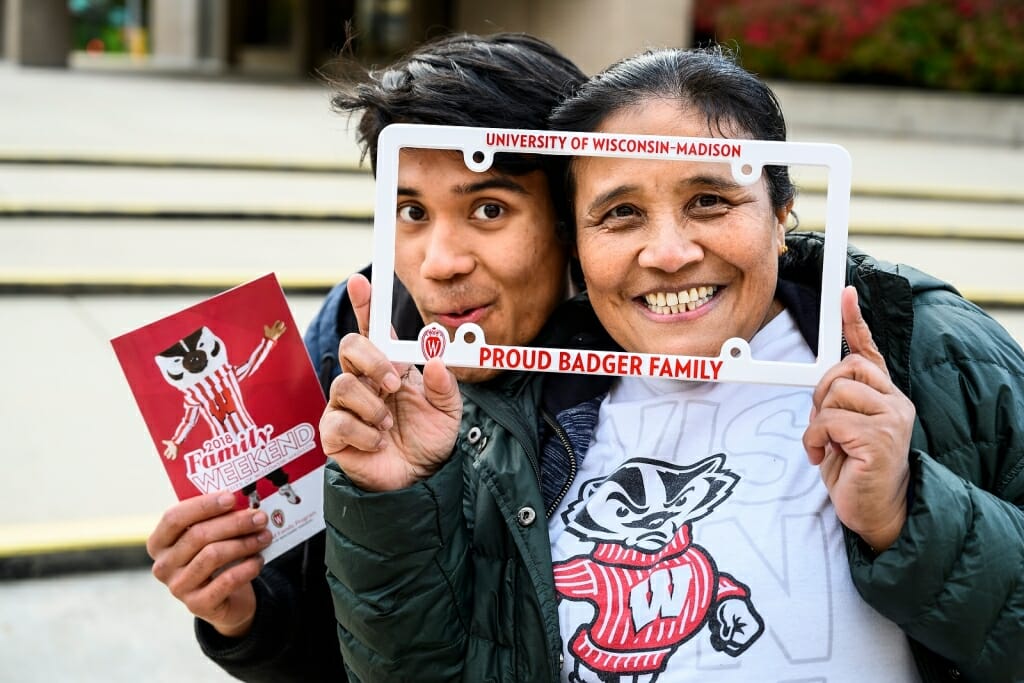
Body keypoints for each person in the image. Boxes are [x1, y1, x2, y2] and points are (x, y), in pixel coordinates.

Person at [322, 46, 1024, 683]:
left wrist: (911, 514)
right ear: (577, 241)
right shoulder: (510, 408)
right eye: (621, 213)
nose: (666, 251)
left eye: (709, 200)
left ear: (782, 212)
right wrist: (392, 506)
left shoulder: (928, 350)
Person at [143, 32, 586, 682]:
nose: (439, 263)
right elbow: (324, 648)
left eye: (489, 209)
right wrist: (241, 613)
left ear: (570, 215)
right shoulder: (347, 344)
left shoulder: (644, 366)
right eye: (411, 210)